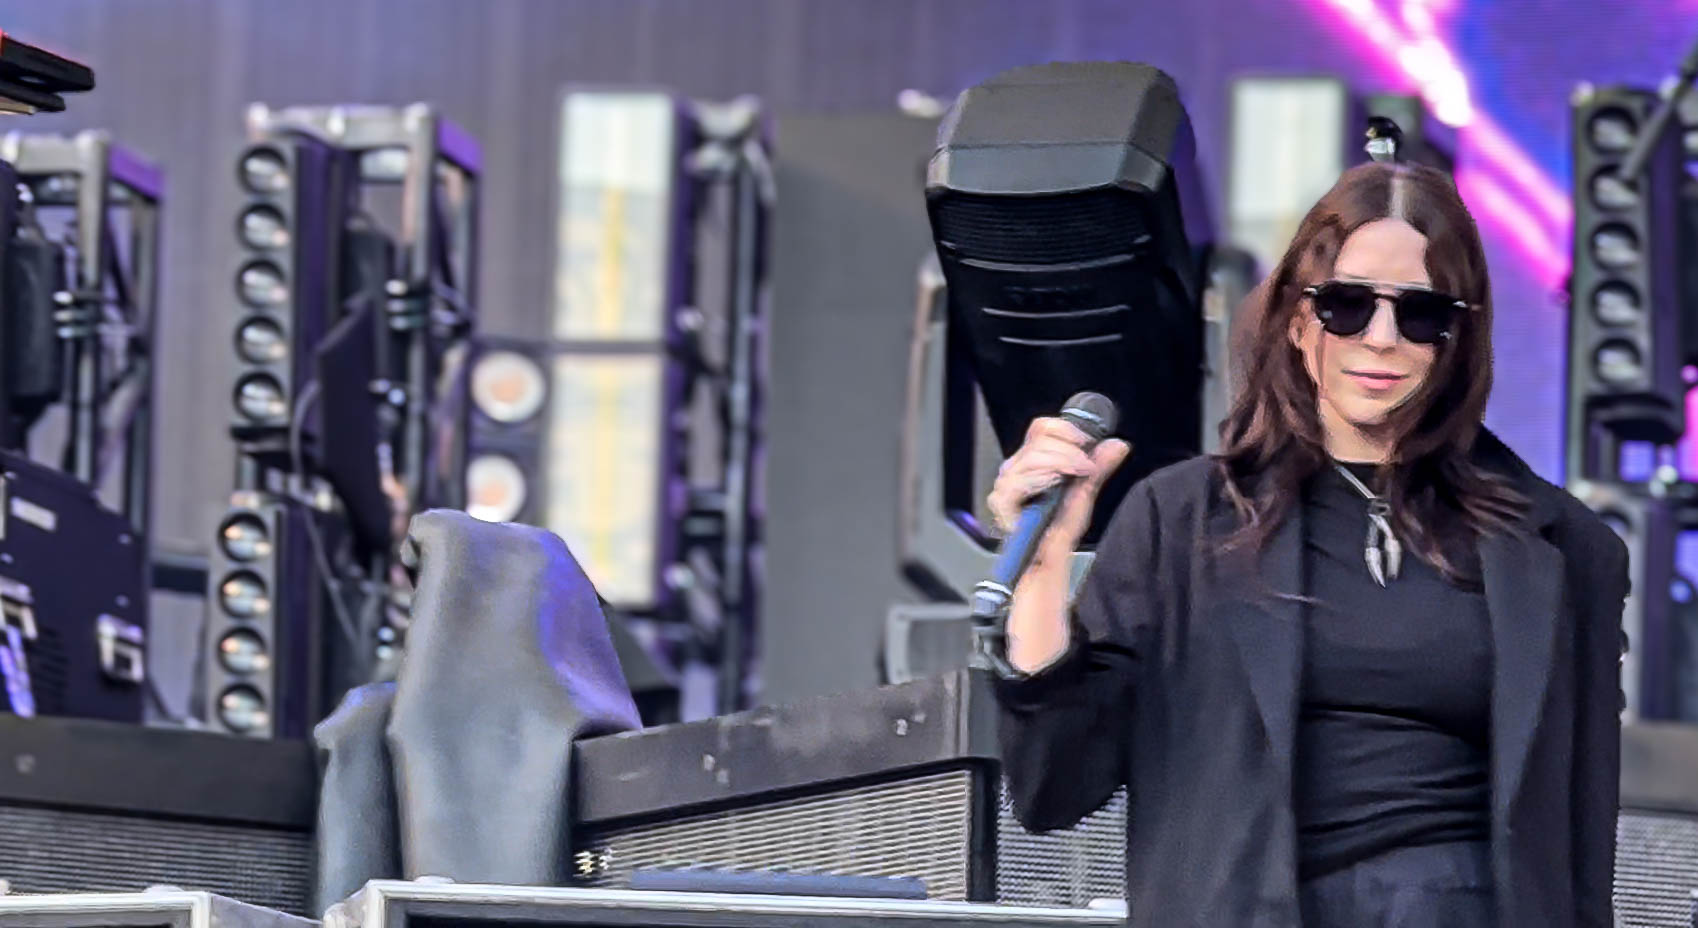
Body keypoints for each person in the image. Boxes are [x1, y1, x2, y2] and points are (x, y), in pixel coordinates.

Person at [985, 162, 1628, 928]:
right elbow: (1055, 788)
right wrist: (1045, 567)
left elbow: (1583, 837)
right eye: (1346, 306)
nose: (1381, 338)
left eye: (1420, 313)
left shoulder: (1564, 547)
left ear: (1456, 338)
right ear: (1297, 320)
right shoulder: (1182, 517)